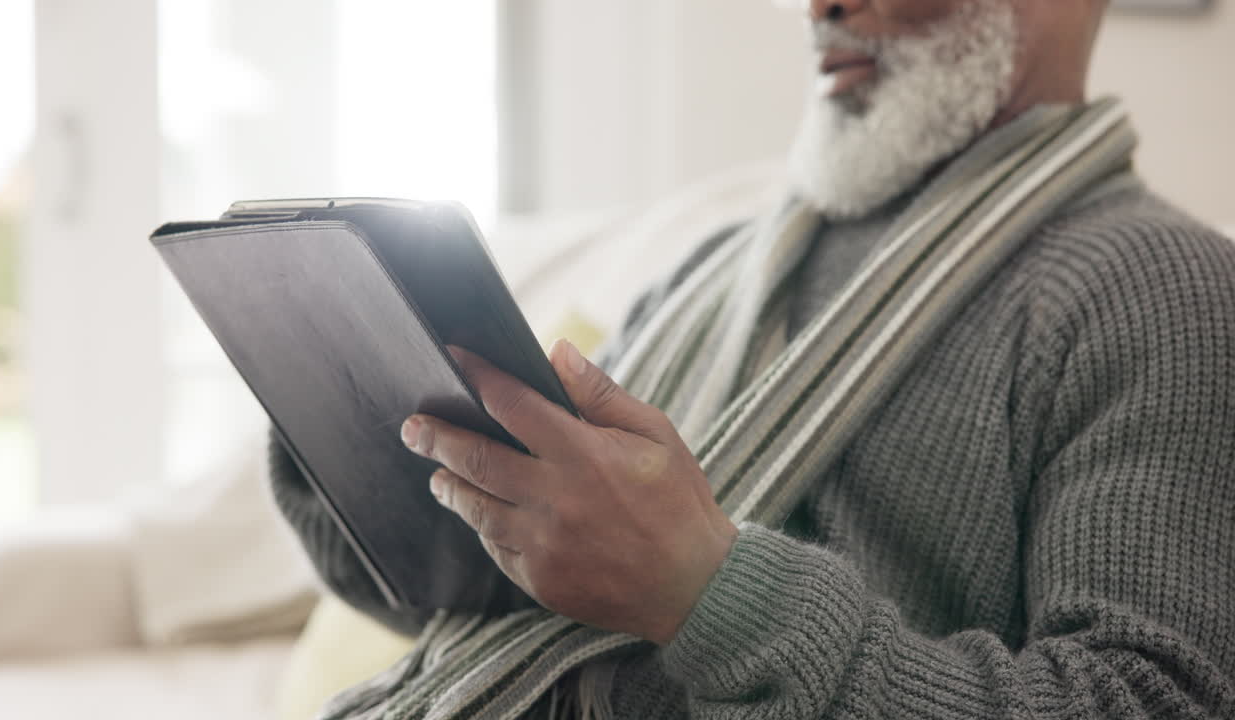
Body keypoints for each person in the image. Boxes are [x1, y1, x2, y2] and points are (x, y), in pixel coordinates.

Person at [269, 0, 1235, 717]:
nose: (819, 7)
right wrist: (343, 413)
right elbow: (507, 602)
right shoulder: (724, 259)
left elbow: (1150, 702)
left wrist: (711, 592)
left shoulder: (1165, 287)